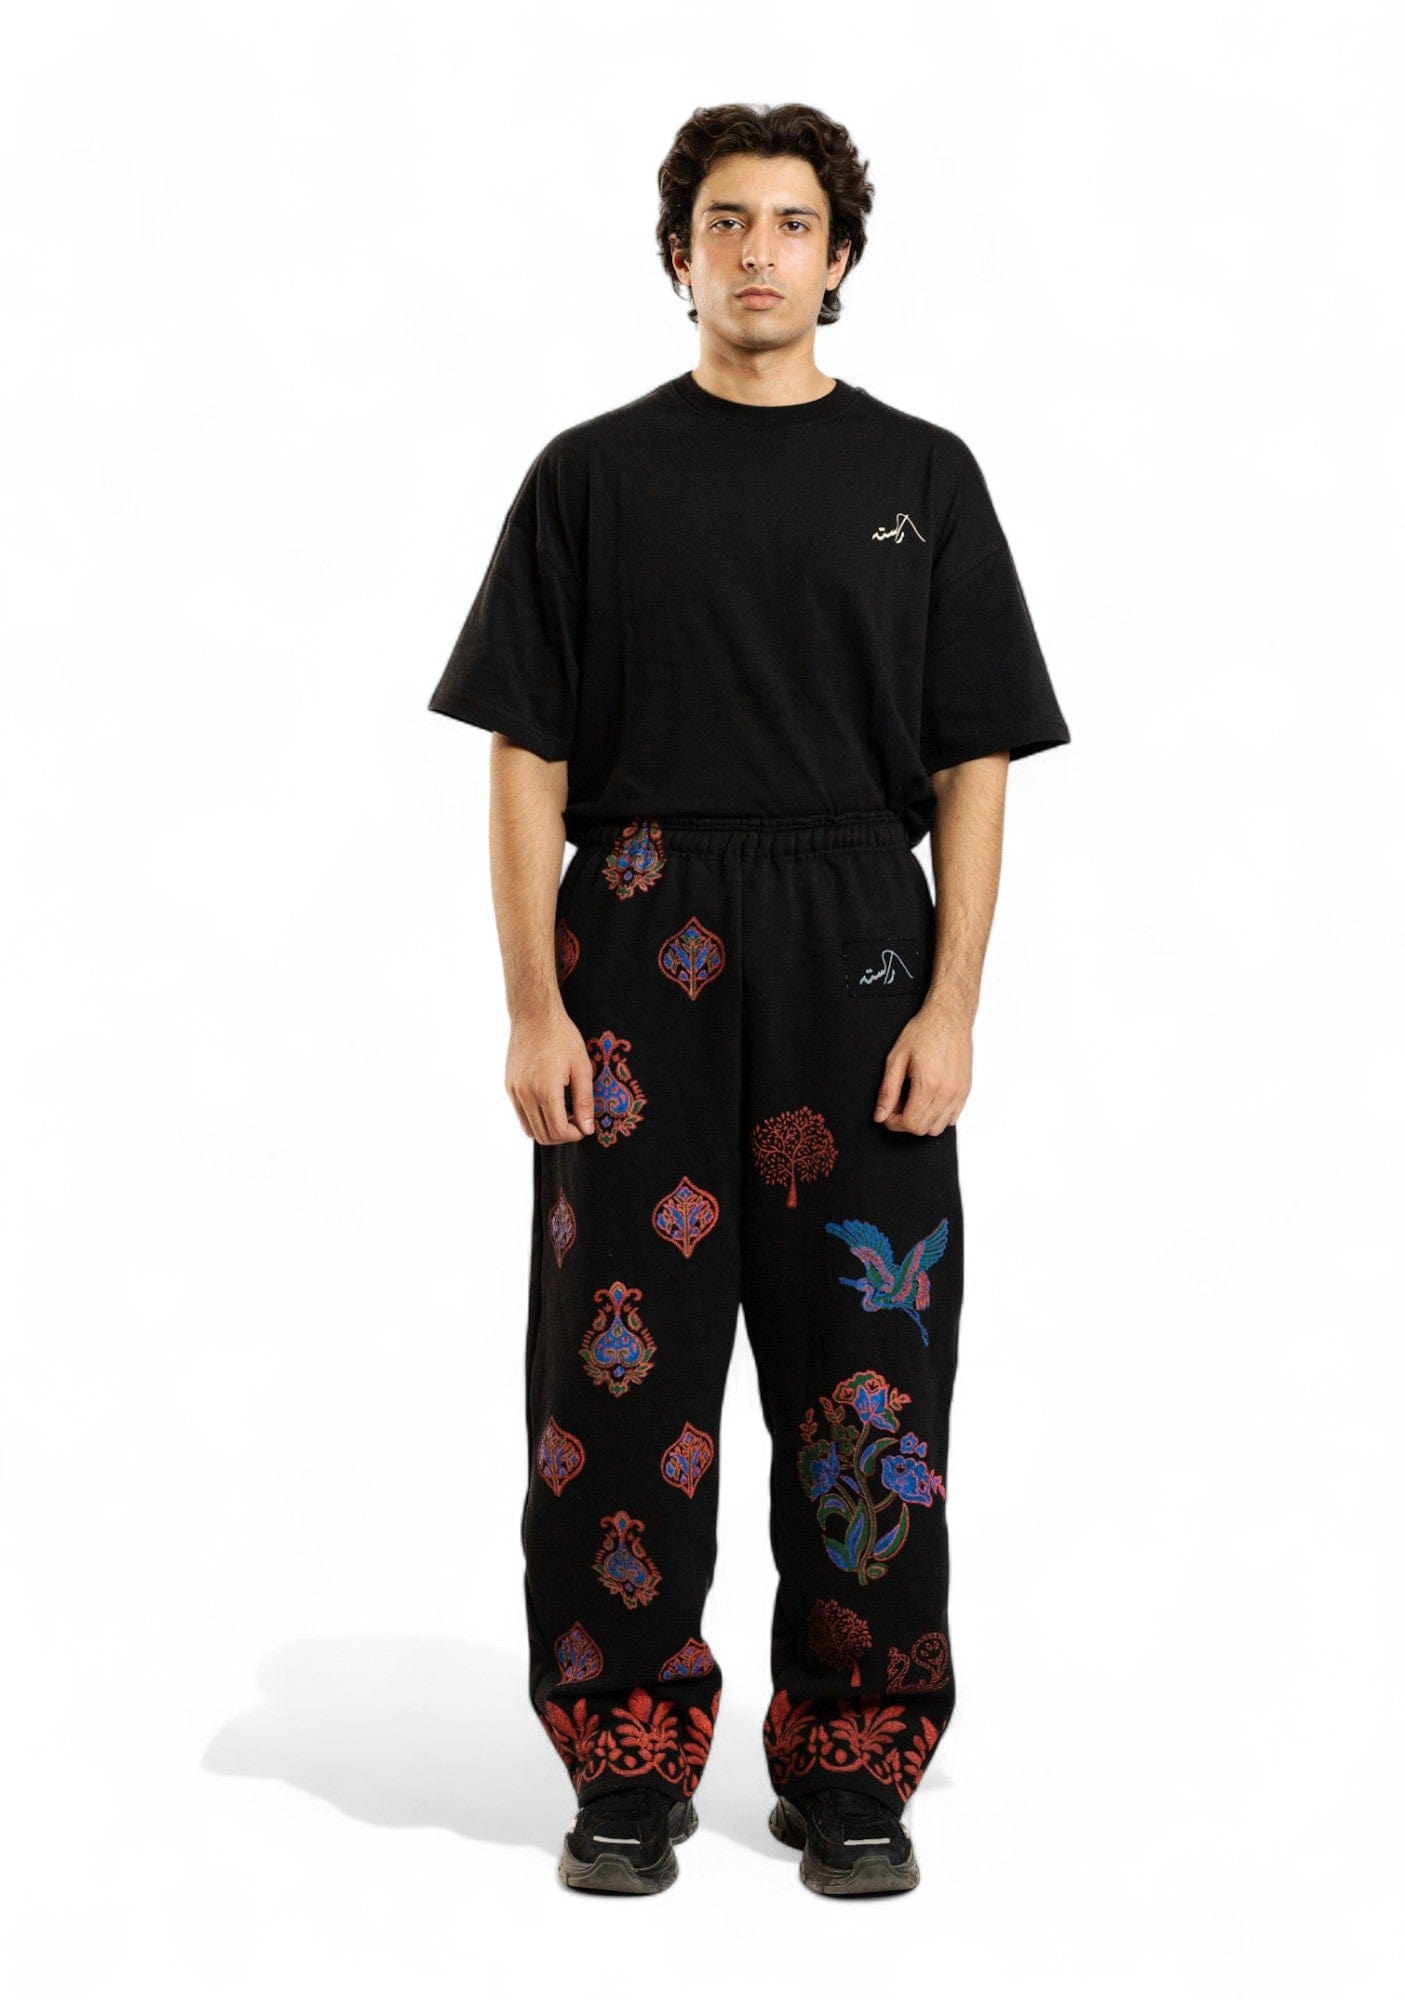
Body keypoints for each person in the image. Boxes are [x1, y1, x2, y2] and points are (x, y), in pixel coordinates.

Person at [426, 100, 1070, 1897]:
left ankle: (854, 1755)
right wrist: (533, 1009)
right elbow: (526, 755)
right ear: (680, 253)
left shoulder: (926, 476)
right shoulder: (590, 477)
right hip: (636, 942)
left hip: (859, 939)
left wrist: (953, 1004)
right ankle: (627, 1756)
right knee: (619, 1373)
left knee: (872, 1370)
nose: (760, 251)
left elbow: (976, 760)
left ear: (840, 257)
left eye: (793, 222)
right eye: (726, 221)